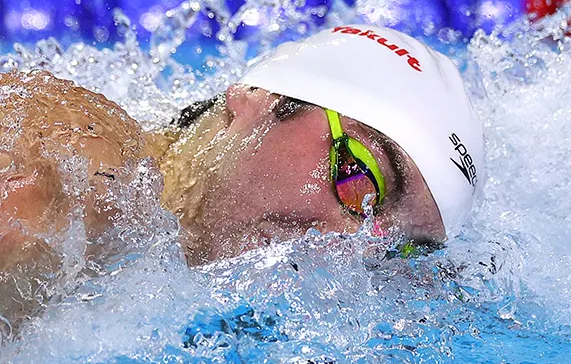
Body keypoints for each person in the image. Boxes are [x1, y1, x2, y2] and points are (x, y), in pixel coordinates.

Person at [0, 24, 484, 335]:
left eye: (392, 247)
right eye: (359, 180)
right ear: (255, 100)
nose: (348, 246)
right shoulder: (78, 175)